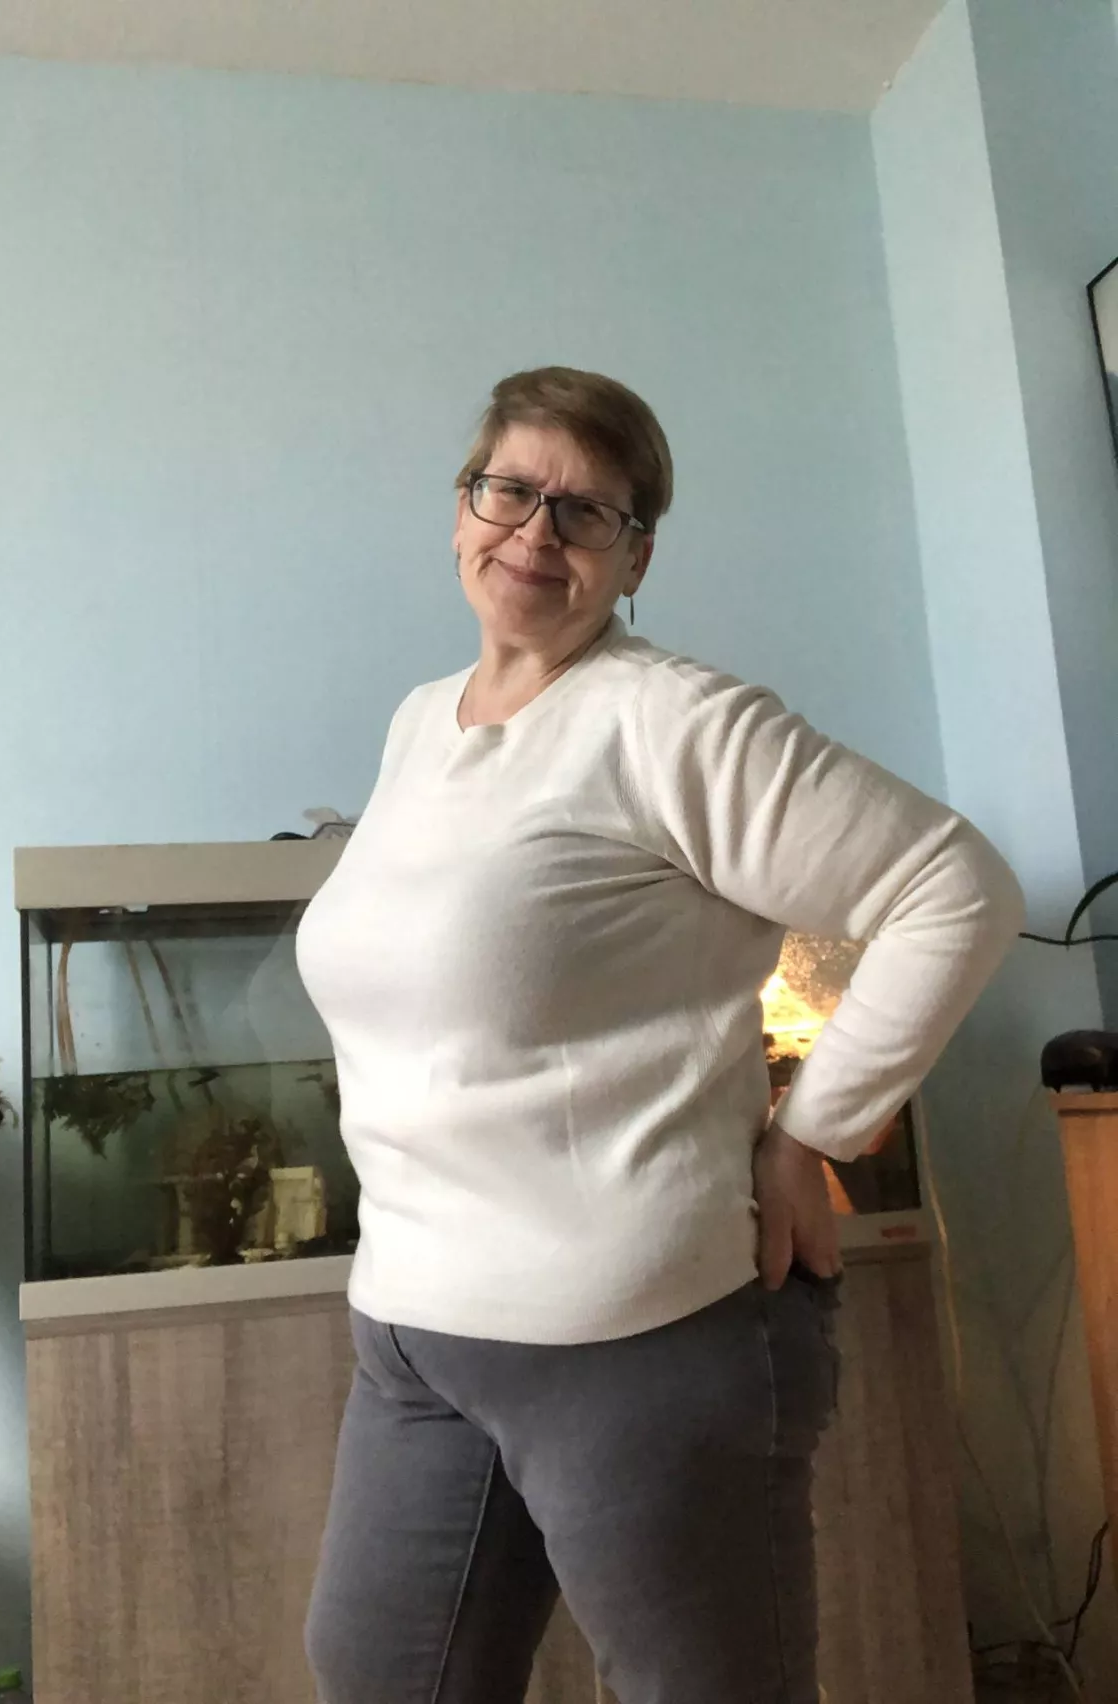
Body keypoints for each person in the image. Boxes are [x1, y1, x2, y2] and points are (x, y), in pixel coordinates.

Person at [295, 366, 1024, 1704]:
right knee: (378, 1675)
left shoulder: (675, 722)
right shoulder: (419, 723)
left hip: (640, 1339)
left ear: (634, 559)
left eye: (587, 512)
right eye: (510, 491)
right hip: (412, 1335)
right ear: (462, 508)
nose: (536, 533)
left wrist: (808, 1137)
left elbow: (955, 887)